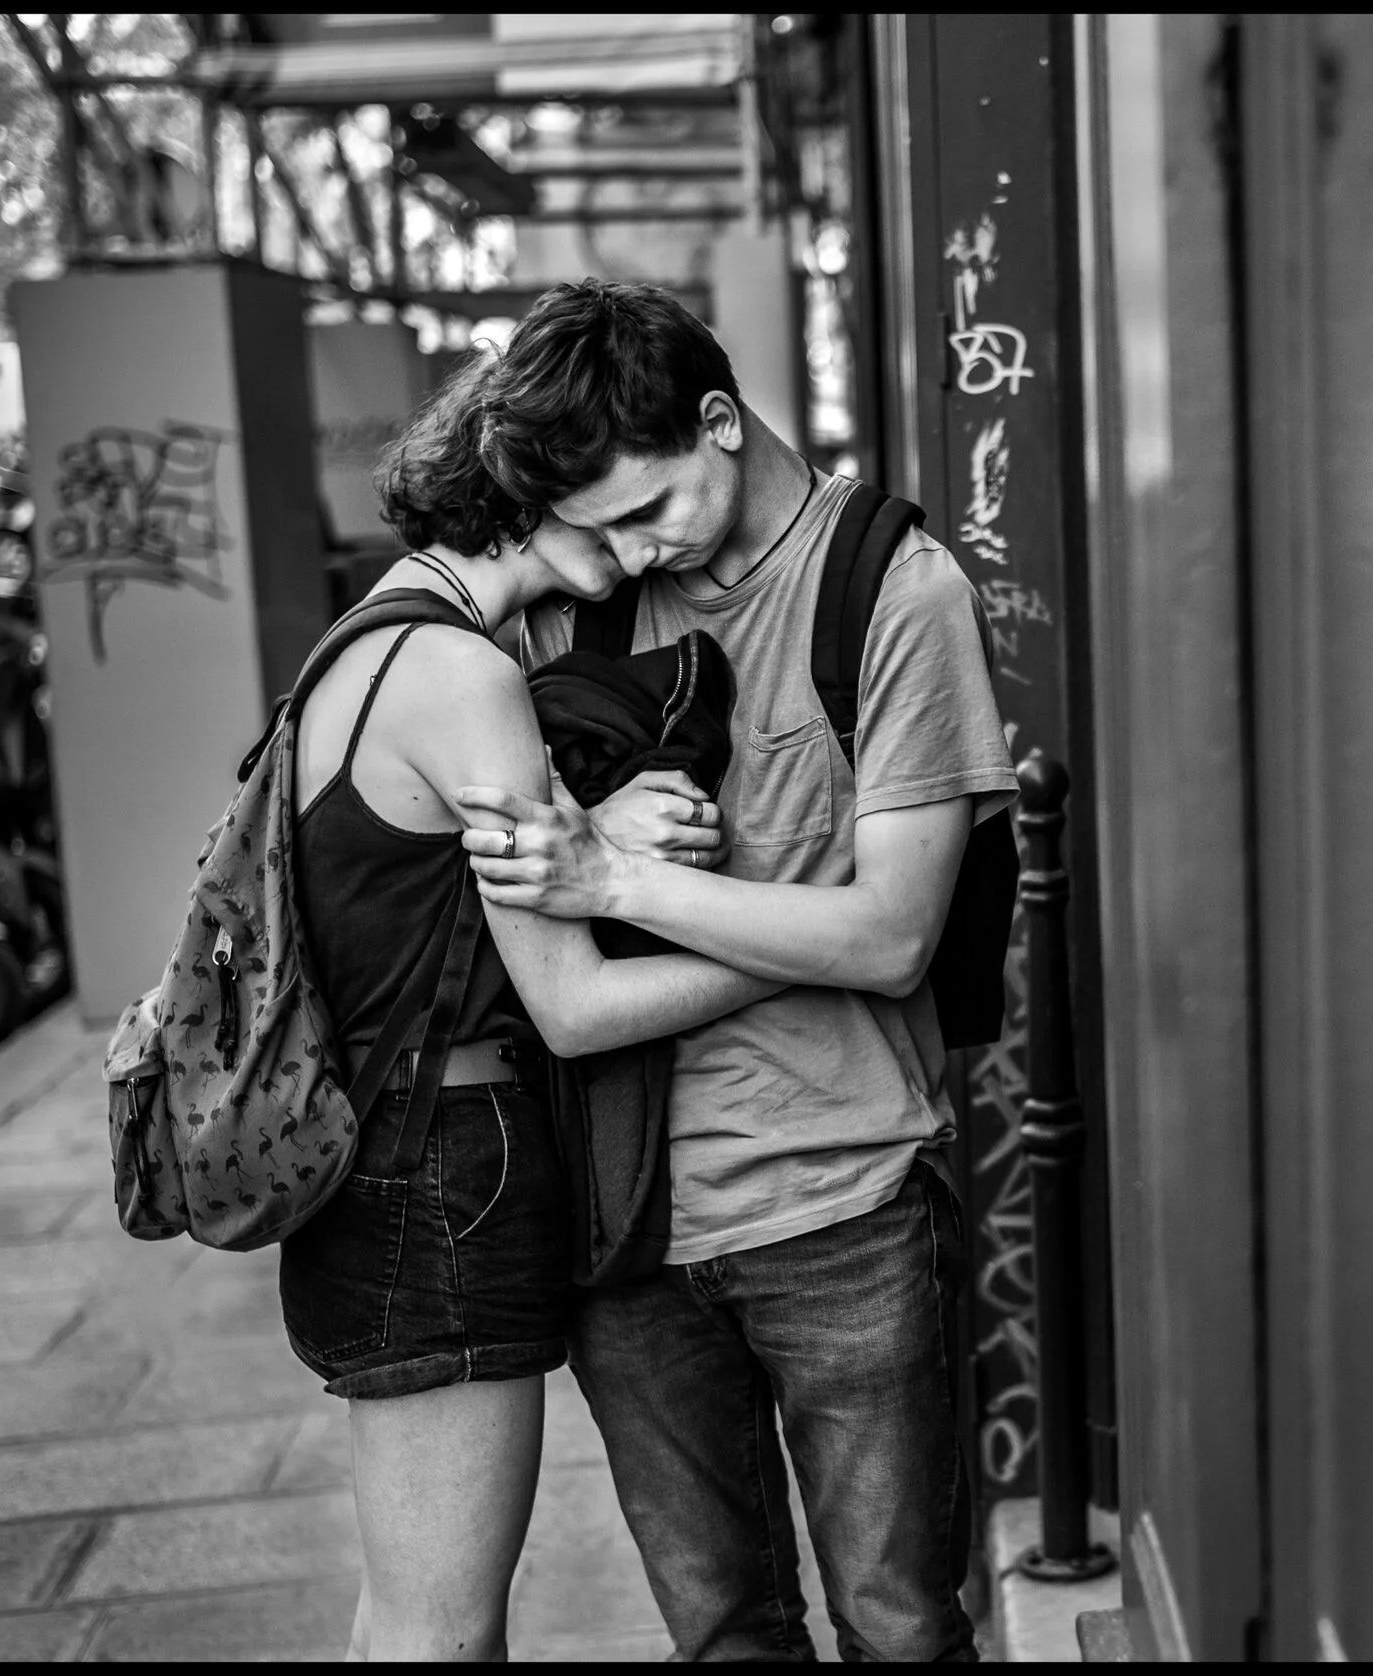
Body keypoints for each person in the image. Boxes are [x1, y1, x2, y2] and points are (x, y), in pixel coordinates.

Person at [453, 281, 1017, 1662]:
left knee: (900, 1627)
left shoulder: (891, 585)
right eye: (591, 532)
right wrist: (582, 833)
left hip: (847, 1206)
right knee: (723, 1636)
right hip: (627, 1234)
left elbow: (894, 935)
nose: (623, 557)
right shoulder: (579, 596)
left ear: (719, 421)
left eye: (645, 512)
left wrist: (619, 880)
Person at [279, 351, 758, 1662]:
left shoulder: (368, 644)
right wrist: (808, 952)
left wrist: (587, 822)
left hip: (381, 1161)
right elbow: (576, 1010)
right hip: (445, 1167)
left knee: (408, 1618)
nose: (622, 526)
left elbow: (419, 880)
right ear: (518, 495)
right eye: (581, 489)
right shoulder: (468, 677)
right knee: (443, 1631)